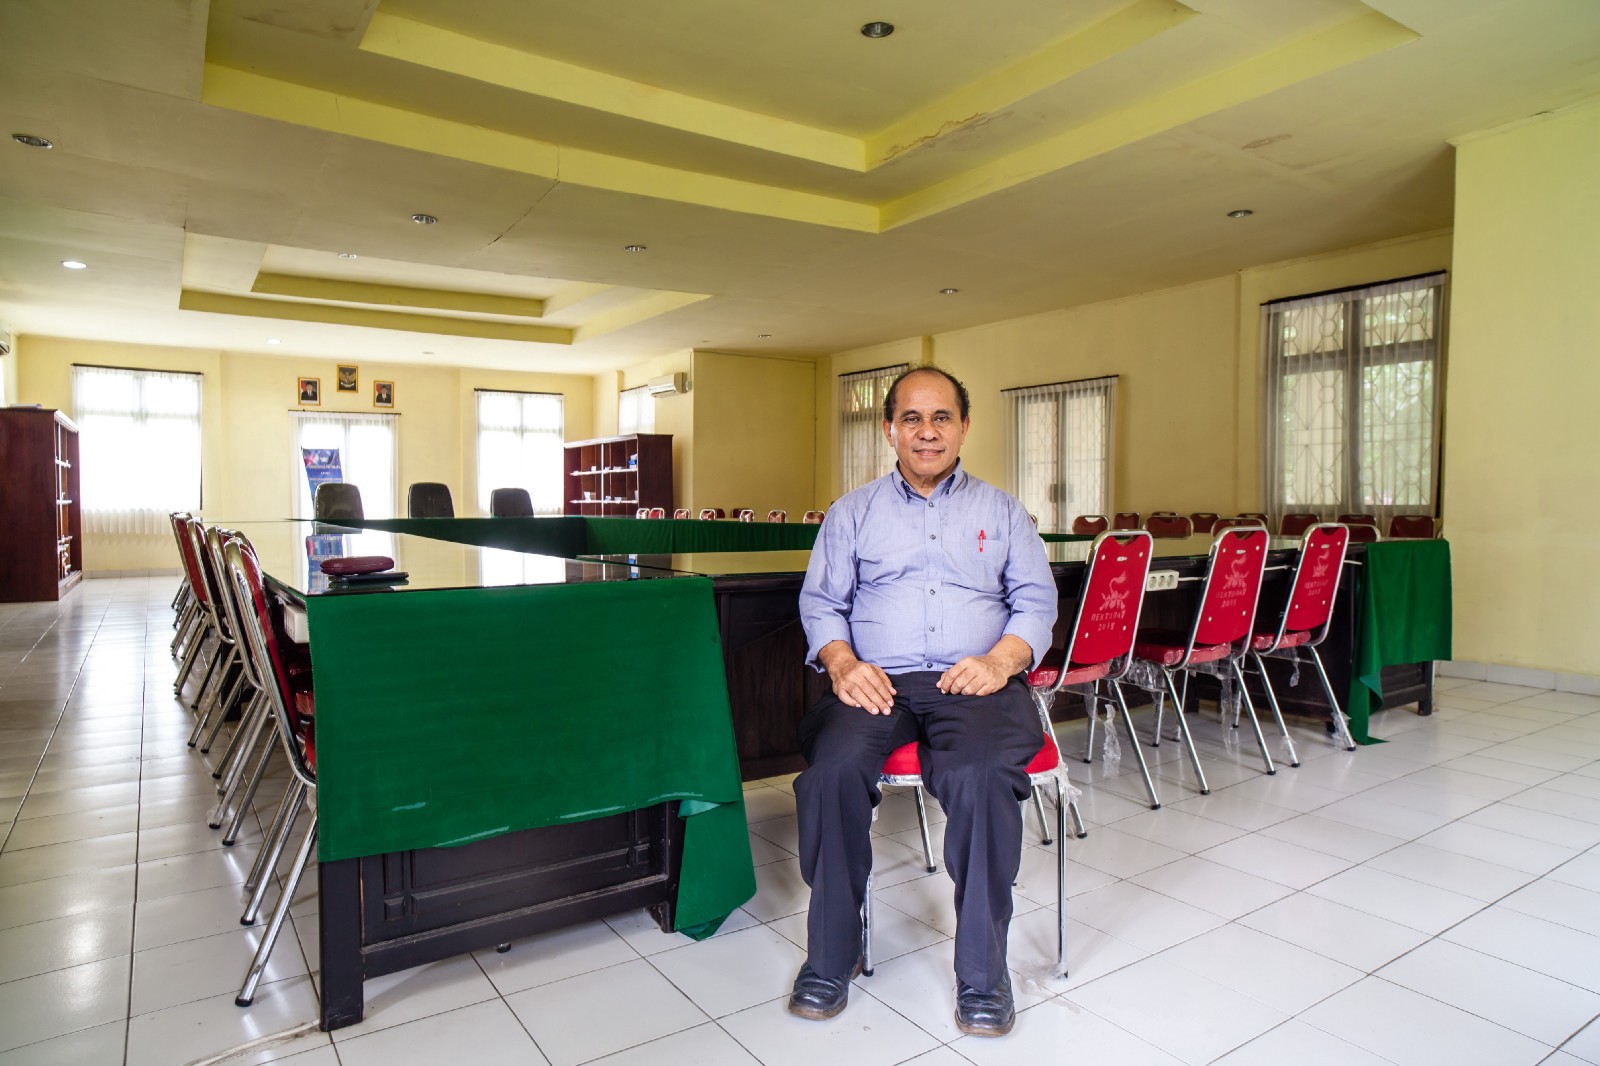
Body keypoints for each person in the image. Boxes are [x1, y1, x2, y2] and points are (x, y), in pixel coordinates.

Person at [790, 366, 1057, 1036]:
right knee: (831, 772)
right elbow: (821, 604)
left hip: (976, 680)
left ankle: (984, 973)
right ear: (890, 430)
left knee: (982, 776)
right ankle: (831, 955)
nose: (927, 431)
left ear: (964, 427)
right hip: (877, 678)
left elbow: (1036, 603)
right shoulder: (852, 513)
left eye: (942, 417)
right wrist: (842, 662)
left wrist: (1000, 661)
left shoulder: (1002, 512)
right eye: (912, 418)